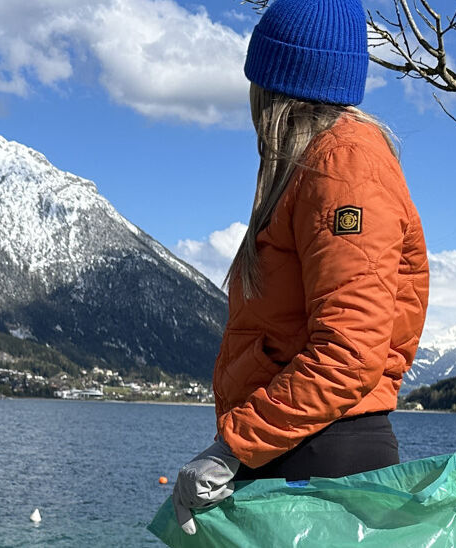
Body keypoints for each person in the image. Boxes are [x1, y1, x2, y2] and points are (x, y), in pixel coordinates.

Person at [169, 0, 430, 535]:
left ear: (277, 83)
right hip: (298, 450)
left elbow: (350, 351)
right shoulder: (320, 165)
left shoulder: (343, 164)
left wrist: (230, 449)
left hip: (322, 459)